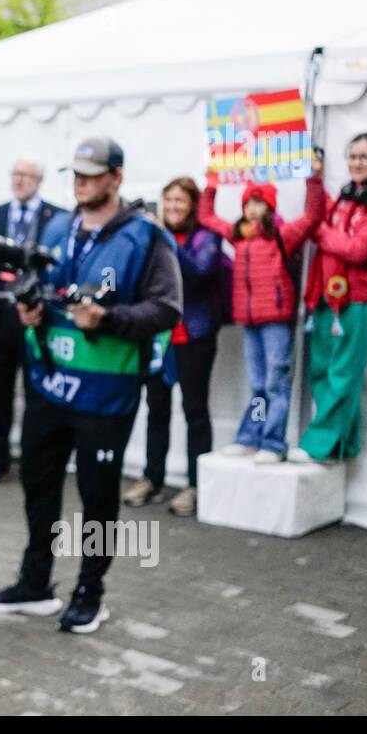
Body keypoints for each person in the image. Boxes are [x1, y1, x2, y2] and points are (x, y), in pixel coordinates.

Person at [0, 137, 182, 634]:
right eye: (76, 174)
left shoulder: (146, 237)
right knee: (38, 483)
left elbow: (168, 309)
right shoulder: (58, 225)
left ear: (116, 177)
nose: (81, 183)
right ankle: (35, 584)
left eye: (92, 175)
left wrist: (108, 319)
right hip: (49, 383)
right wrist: (31, 311)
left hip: (106, 394)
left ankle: (90, 592)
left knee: (97, 496)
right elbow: (43, 293)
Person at [199, 160, 325, 463]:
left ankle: (273, 442)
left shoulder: (283, 234)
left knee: (275, 382)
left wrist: (314, 179)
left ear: (269, 206)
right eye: (249, 203)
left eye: (259, 203)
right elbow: (206, 216)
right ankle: (251, 436)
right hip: (250, 319)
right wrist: (212, 184)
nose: (254, 209)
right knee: (257, 382)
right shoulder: (239, 235)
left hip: (276, 322)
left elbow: (312, 216)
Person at [291, 134, 367, 464]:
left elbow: (357, 250)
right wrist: (313, 178)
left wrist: (320, 233)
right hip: (327, 295)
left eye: (366, 157)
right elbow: (323, 215)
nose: (357, 163)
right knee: (323, 368)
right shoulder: (348, 196)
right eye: (352, 156)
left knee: (343, 372)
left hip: (357, 300)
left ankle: (319, 445)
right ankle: (343, 444)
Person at [124, 177, 228, 517]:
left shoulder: (206, 237)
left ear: (193, 205)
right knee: (156, 408)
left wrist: (163, 236)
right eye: (167, 201)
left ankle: (195, 484)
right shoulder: (152, 239)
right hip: (159, 339)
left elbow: (198, 272)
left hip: (195, 337)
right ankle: (152, 478)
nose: (172, 207)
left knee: (195, 412)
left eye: (180, 201)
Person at [0, 157, 62, 486]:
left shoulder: (57, 217)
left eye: (27, 176)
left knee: (35, 392)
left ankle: (34, 459)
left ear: (39, 180)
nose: (20, 181)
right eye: (15, 174)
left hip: (36, 317)